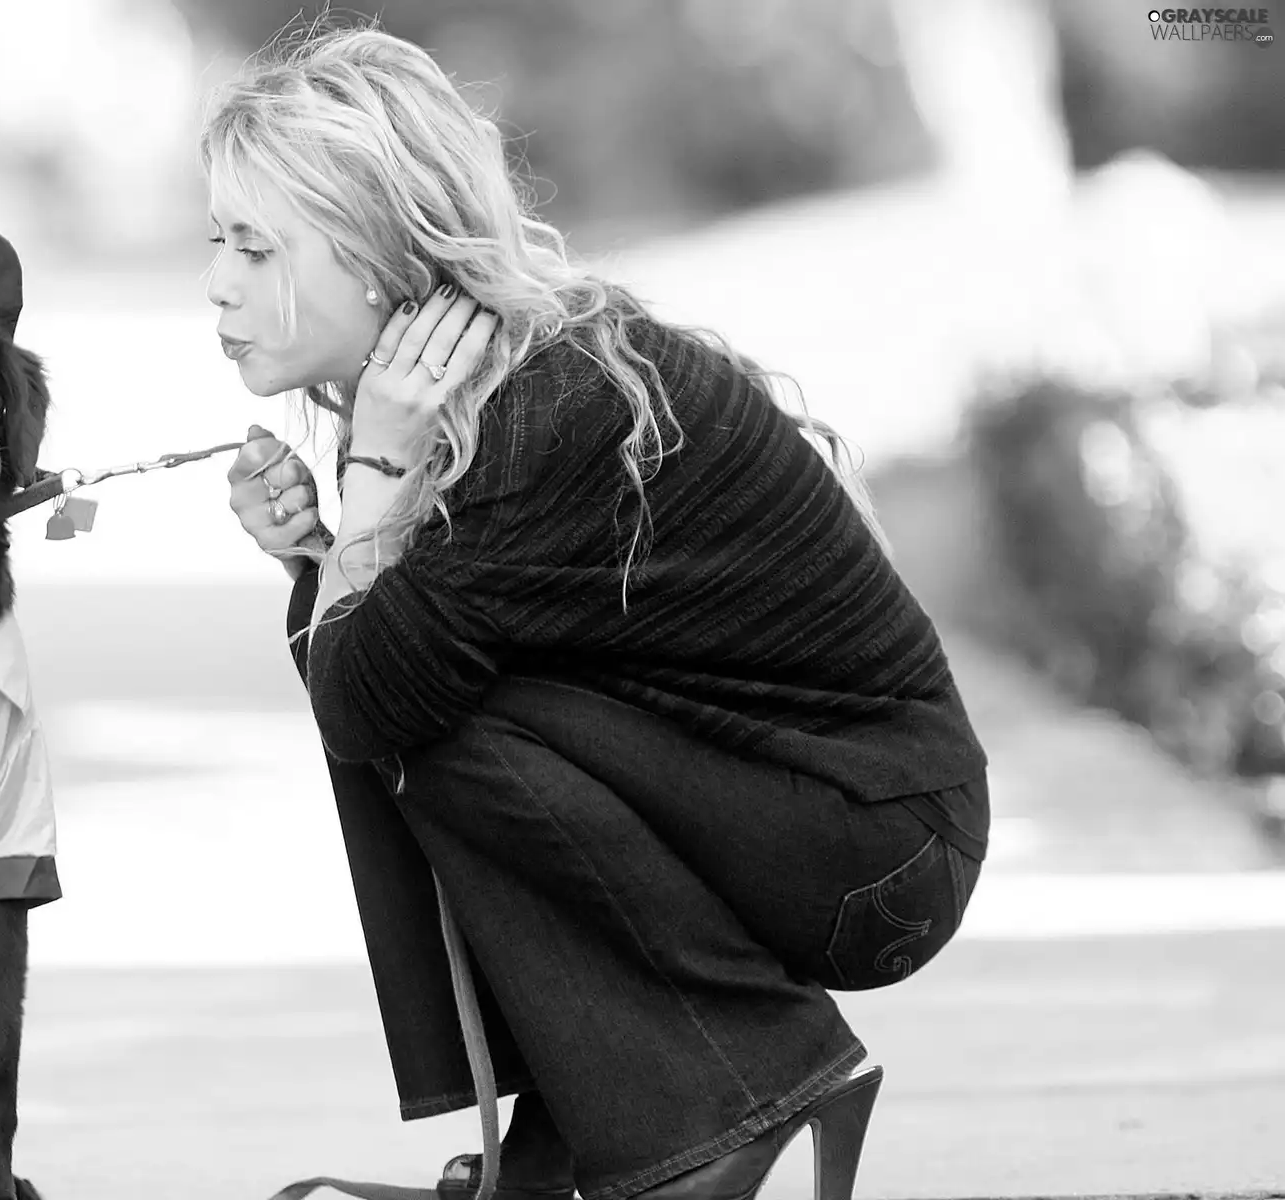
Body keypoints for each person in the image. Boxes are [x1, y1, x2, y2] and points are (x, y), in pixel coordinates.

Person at [205, 23, 989, 1200]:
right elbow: (374, 672)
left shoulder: (541, 412)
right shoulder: (483, 389)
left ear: (376, 248)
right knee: (420, 687)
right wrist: (326, 555)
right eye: (217, 239)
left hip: (873, 845)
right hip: (793, 809)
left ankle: (730, 1101)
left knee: (434, 716)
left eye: (257, 247)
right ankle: (581, 1139)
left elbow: (373, 701)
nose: (217, 280)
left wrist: (367, 498)